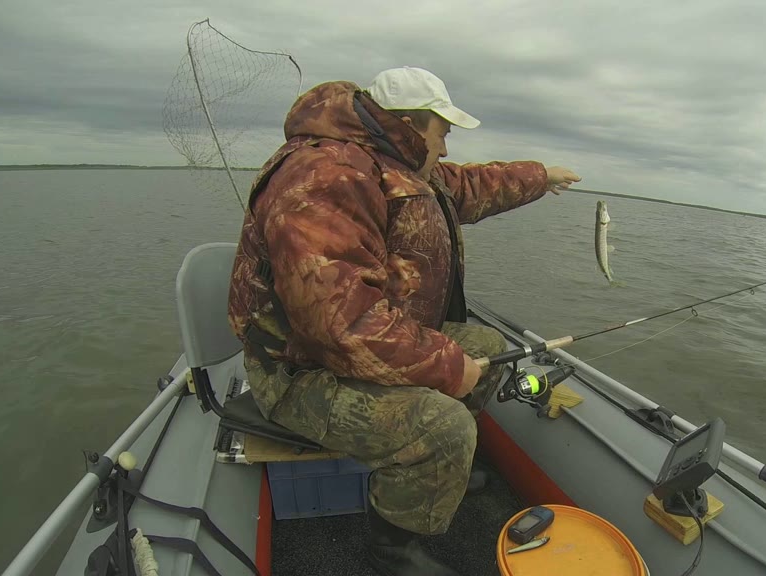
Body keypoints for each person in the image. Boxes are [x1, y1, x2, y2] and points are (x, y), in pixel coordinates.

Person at [227, 66, 580, 575]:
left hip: (361, 348)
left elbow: (470, 185)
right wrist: (446, 367)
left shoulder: (401, 166)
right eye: (443, 133)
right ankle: (391, 550)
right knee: (445, 427)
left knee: (485, 346)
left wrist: (542, 176)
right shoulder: (326, 176)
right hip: (300, 370)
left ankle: (432, 475)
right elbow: (339, 323)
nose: (447, 147)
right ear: (411, 125)